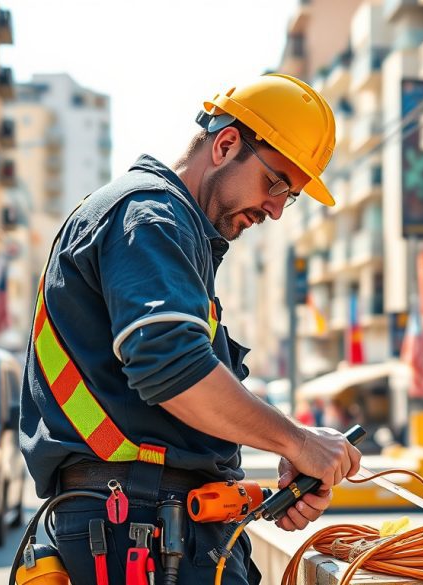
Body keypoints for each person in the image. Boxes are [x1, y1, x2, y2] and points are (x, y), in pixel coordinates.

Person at [19, 74, 362, 585]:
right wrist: (297, 441)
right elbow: (175, 371)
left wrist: (288, 449)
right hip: (141, 532)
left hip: (152, 527)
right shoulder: (151, 217)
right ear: (226, 144)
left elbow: (182, 393)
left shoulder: (170, 233)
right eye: (276, 183)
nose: (274, 209)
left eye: (286, 197)